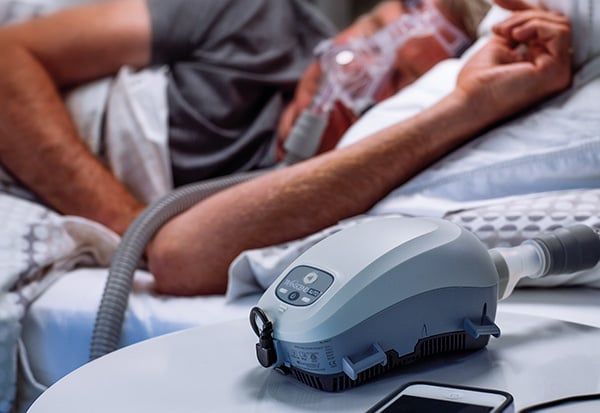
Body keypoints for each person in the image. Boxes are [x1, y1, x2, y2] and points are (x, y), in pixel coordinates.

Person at [0, 0, 572, 295]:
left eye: (397, 79)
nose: (354, 70)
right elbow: (7, 60)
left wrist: (463, 109)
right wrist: (130, 228)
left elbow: (182, 257)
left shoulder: (354, 182)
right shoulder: (255, 19)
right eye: (375, 30)